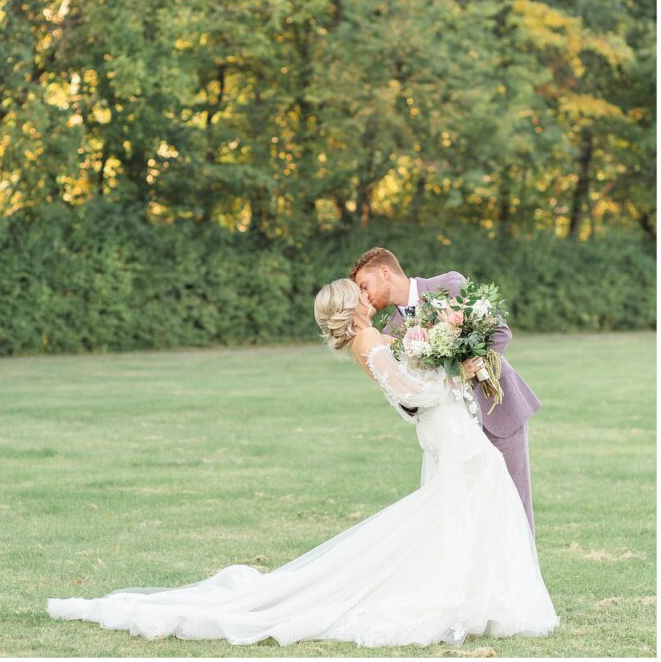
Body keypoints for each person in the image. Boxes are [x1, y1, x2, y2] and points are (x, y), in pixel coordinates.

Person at [47, 279, 558, 649]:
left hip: (450, 429)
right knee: (468, 498)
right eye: (359, 294)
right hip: (444, 424)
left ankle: (480, 595)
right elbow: (408, 392)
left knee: (467, 504)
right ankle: (473, 597)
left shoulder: (376, 337)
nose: (367, 296)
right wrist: (446, 374)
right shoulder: (368, 341)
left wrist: (442, 362)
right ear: (351, 309)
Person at [349, 246, 541, 533]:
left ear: (385, 272)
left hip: (496, 407)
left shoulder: (449, 285)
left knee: (514, 503)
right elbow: (407, 398)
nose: (364, 296)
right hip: (452, 428)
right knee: (467, 514)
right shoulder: (389, 334)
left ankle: (524, 576)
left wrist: (460, 366)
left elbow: (500, 333)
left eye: (364, 286)